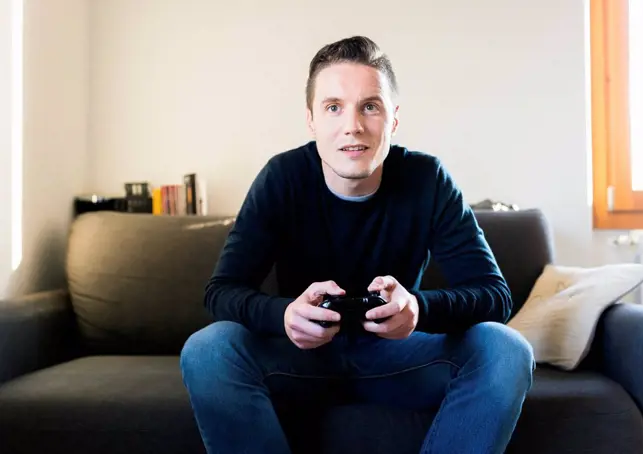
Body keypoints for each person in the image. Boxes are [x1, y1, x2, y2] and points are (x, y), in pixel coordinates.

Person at [180, 35, 535, 454]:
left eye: (370, 106)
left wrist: (418, 309)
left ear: (393, 119)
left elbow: (494, 296)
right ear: (311, 120)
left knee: (507, 349)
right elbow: (220, 291)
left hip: (399, 359)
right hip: (299, 361)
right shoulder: (282, 177)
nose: (353, 125)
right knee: (207, 349)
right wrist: (284, 315)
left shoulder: (427, 179)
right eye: (334, 107)